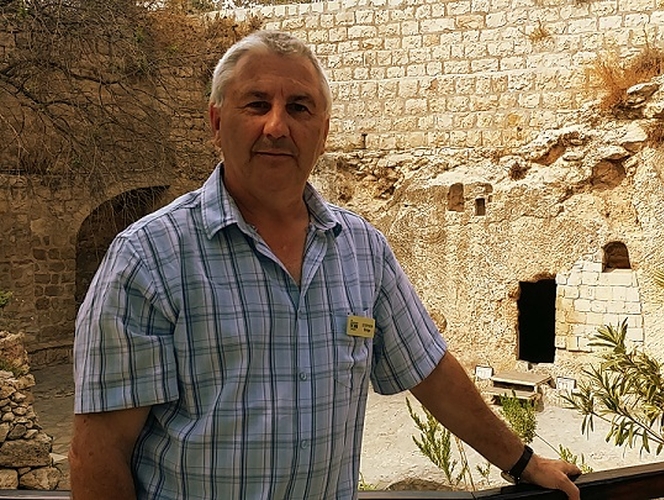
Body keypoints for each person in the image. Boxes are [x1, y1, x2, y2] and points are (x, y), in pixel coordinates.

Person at [70, 30, 581, 500]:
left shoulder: (362, 250)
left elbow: (429, 370)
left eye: (298, 107)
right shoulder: (148, 257)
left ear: (323, 131)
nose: (276, 125)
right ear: (216, 121)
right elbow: (100, 450)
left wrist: (521, 460)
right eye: (256, 104)